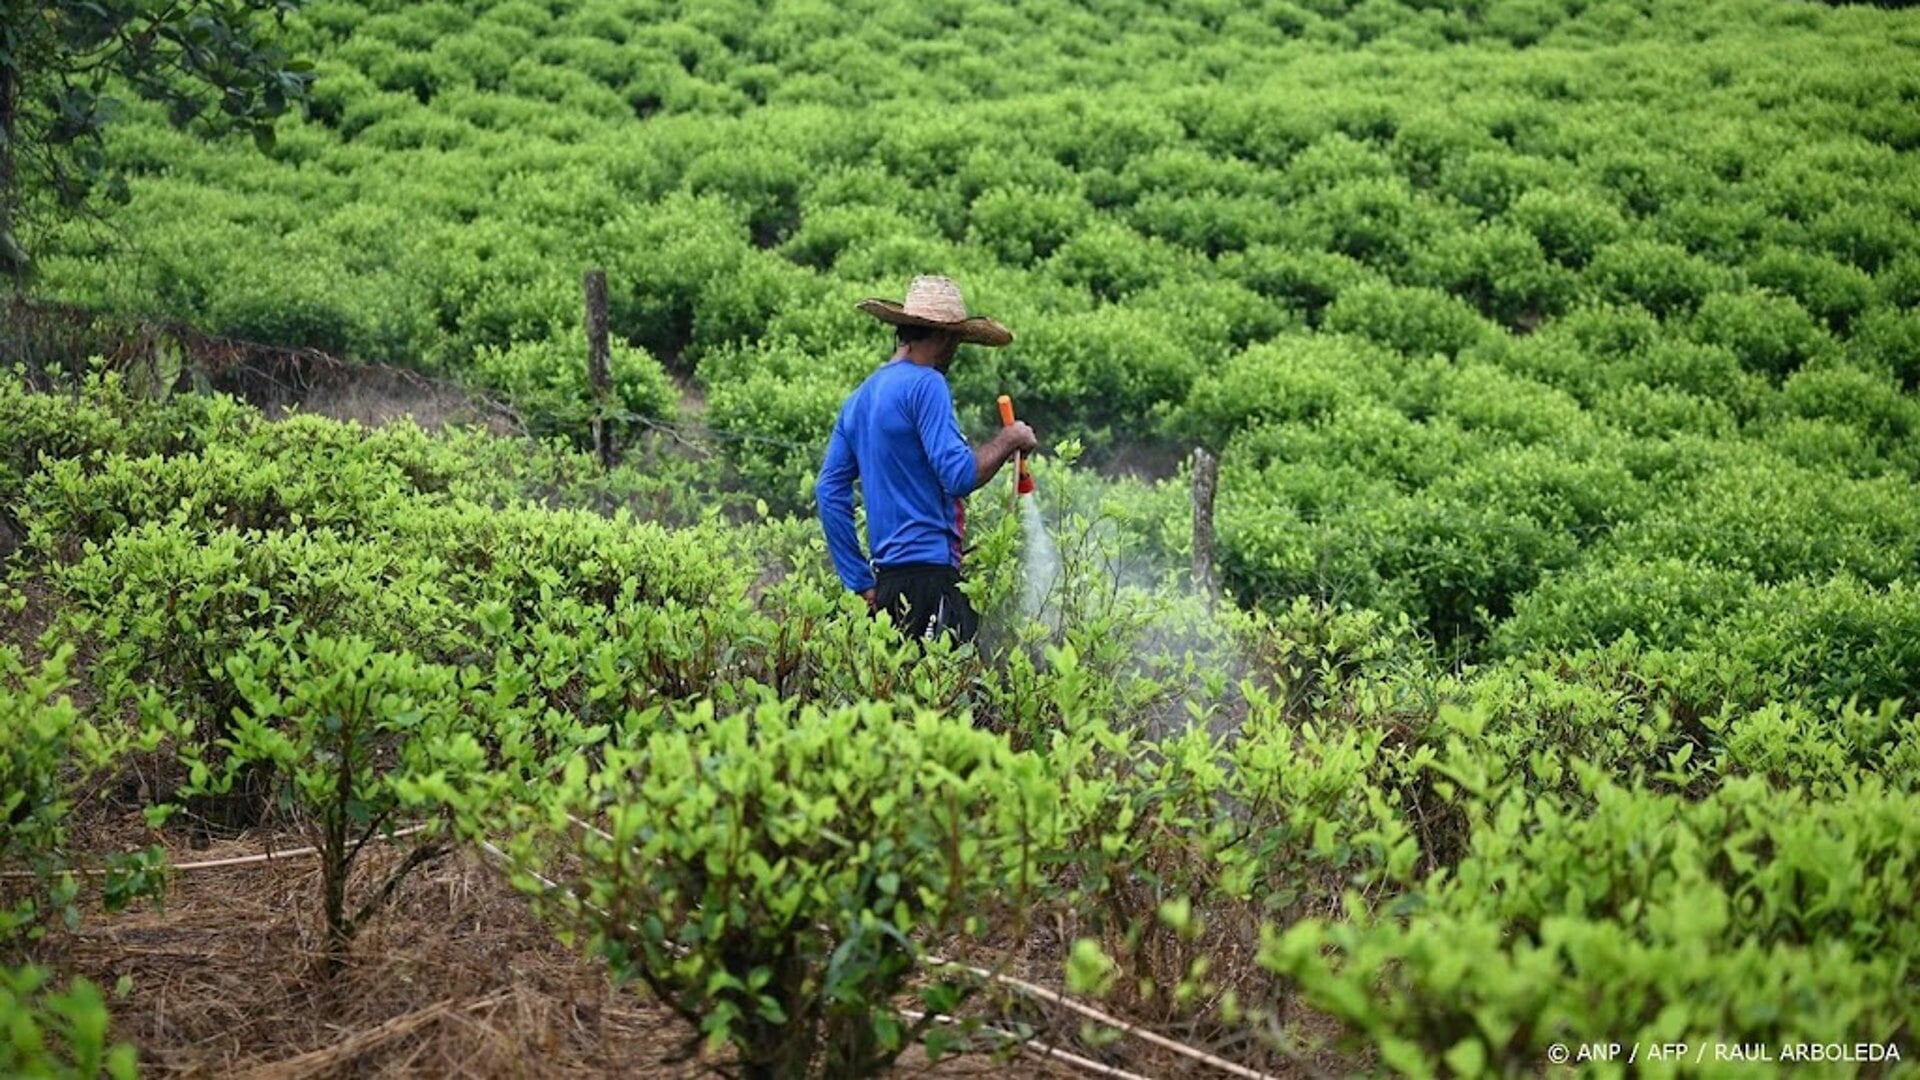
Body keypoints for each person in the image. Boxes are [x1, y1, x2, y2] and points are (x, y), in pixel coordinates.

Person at [817, 275, 1037, 644]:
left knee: (896, 697)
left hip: (886, 585)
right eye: (956, 341)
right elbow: (959, 476)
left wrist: (859, 580)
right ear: (945, 337)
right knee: (947, 696)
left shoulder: (858, 399)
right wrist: (1009, 439)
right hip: (931, 579)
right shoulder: (927, 384)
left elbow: (828, 491)